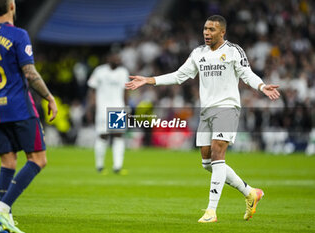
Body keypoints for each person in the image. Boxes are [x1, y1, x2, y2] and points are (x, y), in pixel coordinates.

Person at [125, 15, 280, 223]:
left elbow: (247, 74)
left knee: (218, 154)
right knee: (208, 163)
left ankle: (211, 211)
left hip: (227, 107)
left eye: (212, 30)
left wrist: (262, 86)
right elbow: (179, 75)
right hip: (206, 111)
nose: (207, 33)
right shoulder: (198, 53)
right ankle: (251, 192)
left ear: (222, 32)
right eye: (205, 29)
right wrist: (149, 80)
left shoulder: (234, 51)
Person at [0, 0, 58, 232]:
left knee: (8, 163)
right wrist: (49, 97)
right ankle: (3, 208)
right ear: (12, 6)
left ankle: (5, 224)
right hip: (19, 107)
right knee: (38, 159)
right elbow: (30, 72)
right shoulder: (19, 35)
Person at [87, 52, 129, 175]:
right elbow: (92, 89)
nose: (117, 59)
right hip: (102, 108)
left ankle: (117, 167)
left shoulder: (123, 72)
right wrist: (92, 106)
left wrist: (126, 108)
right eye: (114, 56)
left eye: (118, 57)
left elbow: (125, 91)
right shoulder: (99, 71)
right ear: (108, 58)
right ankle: (100, 166)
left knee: (118, 135)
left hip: (118, 107)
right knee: (103, 135)